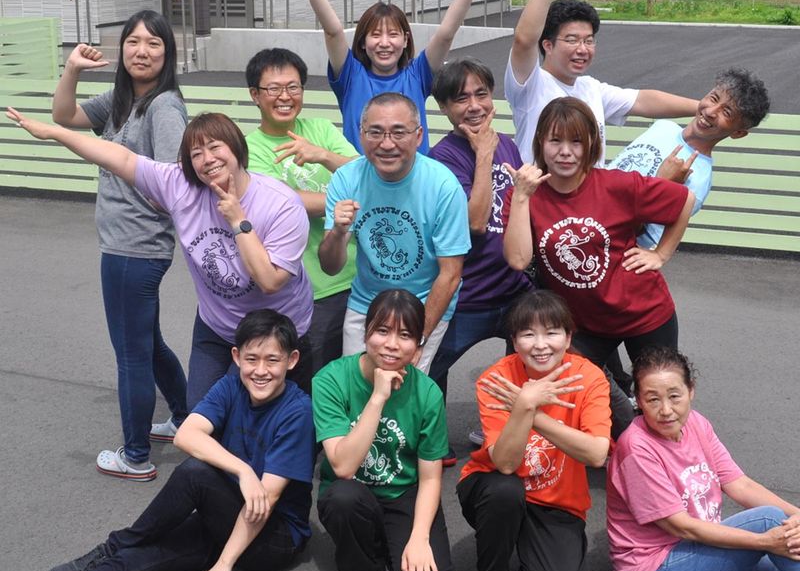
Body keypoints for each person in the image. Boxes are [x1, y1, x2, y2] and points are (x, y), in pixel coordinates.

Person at [8, 108, 314, 415]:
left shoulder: (281, 204)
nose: (208, 159)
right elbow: (121, 159)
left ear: (236, 148)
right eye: (196, 154)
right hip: (216, 325)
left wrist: (237, 219)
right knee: (201, 411)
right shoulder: (180, 185)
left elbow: (270, 281)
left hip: (272, 332)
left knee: (248, 415)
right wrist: (55, 132)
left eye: (215, 147)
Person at [47, 309, 316, 571]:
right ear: (236, 357)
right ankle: (94, 567)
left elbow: (265, 501)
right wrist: (243, 471)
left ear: (291, 360)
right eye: (252, 359)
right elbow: (185, 435)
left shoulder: (298, 412)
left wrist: (224, 564)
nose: (260, 371)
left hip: (275, 537)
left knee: (195, 472)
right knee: (147, 557)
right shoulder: (232, 386)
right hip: (227, 512)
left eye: (272, 360)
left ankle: (112, 546)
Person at [502, 97, 695, 438]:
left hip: (644, 313)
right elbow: (518, 260)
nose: (565, 152)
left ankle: (672, 456)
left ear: (591, 143)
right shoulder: (528, 194)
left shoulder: (617, 185)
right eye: (555, 140)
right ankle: (618, 448)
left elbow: (684, 201)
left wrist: (661, 254)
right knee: (575, 393)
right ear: (541, 142)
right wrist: (520, 196)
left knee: (659, 396)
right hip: (585, 323)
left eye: (576, 141)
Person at [50, 10, 188, 481]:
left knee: (130, 353)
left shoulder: (163, 107)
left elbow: (173, 181)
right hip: (126, 246)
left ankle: (135, 456)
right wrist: (72, 68)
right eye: (133, 42)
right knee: (148, 344)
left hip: (136, 248)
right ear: (122, 48)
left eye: (153, 43)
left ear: (167, 53)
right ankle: (184, 417)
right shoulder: (122, 99)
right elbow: (64, 115)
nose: (141, 51)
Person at [606, 346, 800, 571]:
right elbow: (682, 526)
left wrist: (797, 516)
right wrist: (765, 541)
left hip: (700, 546)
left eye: (674, 396)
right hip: (657, 565)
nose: (666, 410)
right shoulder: (636, 448)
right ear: (639, 400)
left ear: (691, 391)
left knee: (782, 559)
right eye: (653, 400)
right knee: (769, 521)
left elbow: (740, 485)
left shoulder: (697, 423)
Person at [457, 290, 611, 571]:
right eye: (528, 334)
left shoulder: (588, 378)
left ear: (568, 337)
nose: (540, 345)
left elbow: (596, 454)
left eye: (551, 333)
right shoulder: (496, 380)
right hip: (494, 487)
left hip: (558, 501)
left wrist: (529, 411)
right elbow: (505, 464)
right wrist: (525, 404)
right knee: (504, 491)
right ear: (514, 341)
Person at [319, 92, 471, 373]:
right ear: (361, 135)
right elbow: (330, 267)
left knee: (402, 389)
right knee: (355, 384)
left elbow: (450, 275)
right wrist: (338, 232)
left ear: (418, 136)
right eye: (375, 132)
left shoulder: (443, 187)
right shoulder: (346, 178)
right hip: (367, 300)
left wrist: (418, 337)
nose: (386, 144)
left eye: (399, 132)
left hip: (422, 303)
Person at [428, 57, 532, 463]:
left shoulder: (507, 143)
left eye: (481, 94)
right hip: (467, 295)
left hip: (513, 288)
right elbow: (474, 222)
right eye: (460, 98)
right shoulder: (442, 158)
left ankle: (506, 432)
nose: (474, 106)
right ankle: (430, 443)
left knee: (528, 362)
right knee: (431, 366)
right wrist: (483, 155)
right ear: (444, 108)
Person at [312, 288, 453, 571]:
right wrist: (377, 398)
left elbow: (430, 478)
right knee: (343, 499)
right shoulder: (331, 380)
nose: (391, 344)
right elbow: (343, 467)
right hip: (352, 493)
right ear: (366, 333)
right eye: (382, 331)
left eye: (405, 335)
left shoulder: (428, 393)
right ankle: (365, 564)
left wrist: (419, 538)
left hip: (404, 494)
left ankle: (394, 546)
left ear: (418, 345)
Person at [245, 47, 359, 376]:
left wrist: (323, 155)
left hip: (356, 279)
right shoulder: (249, 148)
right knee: (314, 380)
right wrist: (343, 200)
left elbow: (365, 174)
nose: (285, 97)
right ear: (255, 95)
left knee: (356, 379)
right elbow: (280, 203)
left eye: (293, 87)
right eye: (274, 88)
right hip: (307, 289)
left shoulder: (320, 129)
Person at [506, 0, 698, 165]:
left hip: (591, 188)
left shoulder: (591, 88)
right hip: (540, 187)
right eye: (572, 40)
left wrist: (702, 108)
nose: (583, 49)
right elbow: (524, 40)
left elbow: (643, 100)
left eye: (589, 41)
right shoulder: (530, 85)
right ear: (548, 45)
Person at [300, 0, 480, 153]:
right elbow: (333, 32)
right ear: (363, 42)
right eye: (376, 35)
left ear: (405, 40)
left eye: (393, 34)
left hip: (413, 174)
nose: (384, 43)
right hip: (362, 173)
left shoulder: (418, 75)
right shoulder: (351, 76)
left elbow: (445, 35)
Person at [609, 67, 771, 249]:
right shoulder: (663, 127)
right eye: (714, 98)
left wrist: (661, 185)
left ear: (738, 133)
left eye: (727, 113)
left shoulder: (698, 179)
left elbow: (640, 237)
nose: (711, 112)